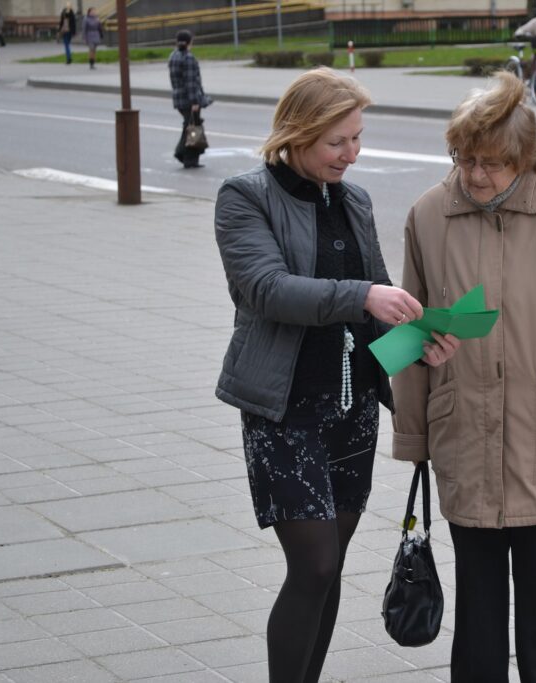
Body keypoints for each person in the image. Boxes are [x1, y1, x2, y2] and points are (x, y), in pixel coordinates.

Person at [213, 67, 459, 683]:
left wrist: (416, 343)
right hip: (284, 409)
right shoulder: (246, 197)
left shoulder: (354, 201)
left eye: (357, 137)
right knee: (315, 565)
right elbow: (266, 289)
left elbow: (373, 323)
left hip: (350, 414)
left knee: (332, 564)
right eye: (337, 141)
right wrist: (364, 296)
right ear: (298, 133)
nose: (351, 153)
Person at [392, 72, 536, 683]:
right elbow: (407, 333)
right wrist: (418, 415)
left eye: (492, 164)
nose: (474, 176)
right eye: (464, 159)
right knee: (477, 624)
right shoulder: (428, 216)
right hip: (466, 444)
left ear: (526, 158)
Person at [168, 30, 211, 169]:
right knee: (192, 128)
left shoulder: (173, 56)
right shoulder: (188, 58)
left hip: (179, 99)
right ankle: (185, 156)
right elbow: (191, 82)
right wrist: (195, 102)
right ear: (189, 42)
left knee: (190, 126)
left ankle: (188, 157)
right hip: (190, 100)